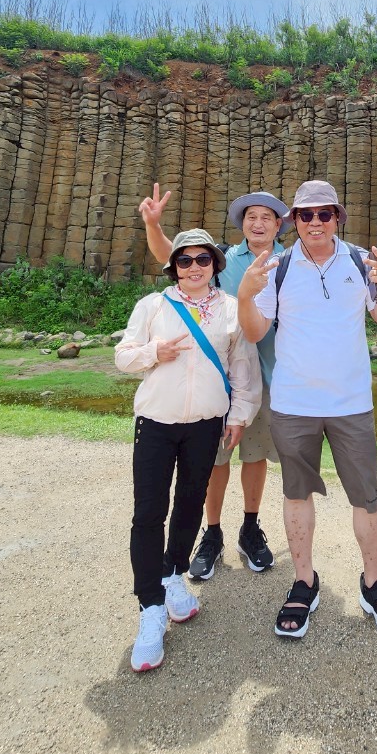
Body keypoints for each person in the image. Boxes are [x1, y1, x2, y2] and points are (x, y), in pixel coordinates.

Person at [237, 179, 377, 641]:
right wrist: (245, 296)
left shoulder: (359, 261)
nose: (315, 222)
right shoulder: (277, 267)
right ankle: (303, 581)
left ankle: (373, 583)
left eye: (324, 214)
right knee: (297, 494)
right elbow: (254, 332)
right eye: (306, 215)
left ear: (337, 218)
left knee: (367, 496)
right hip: (294, 403)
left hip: (351, 403)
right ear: (293, 221)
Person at [115, 230, 261, 672]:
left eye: (203, 259)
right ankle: (150, 607)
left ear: (215, 264)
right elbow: (123, 356)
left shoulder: (231, 310)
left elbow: (242, 369)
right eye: (185, 260)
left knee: (190, 504)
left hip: (205, 425)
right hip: (156, 423)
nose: (194, 267)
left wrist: (238, 416)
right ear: (173, 267)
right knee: (148, 513)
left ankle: (173, 574)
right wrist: (153, 352)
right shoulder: (153, 306)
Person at [139, 184, 290, 577]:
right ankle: (213, 531)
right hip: (222, 379)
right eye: (251, 217)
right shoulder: (224, 260)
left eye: (267, 217)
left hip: (273, 376)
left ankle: (250, 528)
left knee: (255, 455)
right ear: (242, 224)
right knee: (216, 458)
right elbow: (174, 256)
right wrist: (153, 225)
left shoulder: (293, 262)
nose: (258, 223)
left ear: (279, 225)